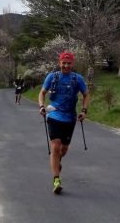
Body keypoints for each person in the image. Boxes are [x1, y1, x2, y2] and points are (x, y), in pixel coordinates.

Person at [38, 51, 89, 194]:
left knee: (63, 149)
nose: (66, 66)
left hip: (70, 118)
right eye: (63, 63)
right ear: (59, 63)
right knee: (55, 147)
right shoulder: (52, 77)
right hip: (53, 115)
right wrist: (42, 106)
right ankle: (56, 180)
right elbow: (42, 93)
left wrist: (84, 111)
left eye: (69, 63)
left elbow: (86, 94)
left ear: (72, 64)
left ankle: (57, 162)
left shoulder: (77, 79)